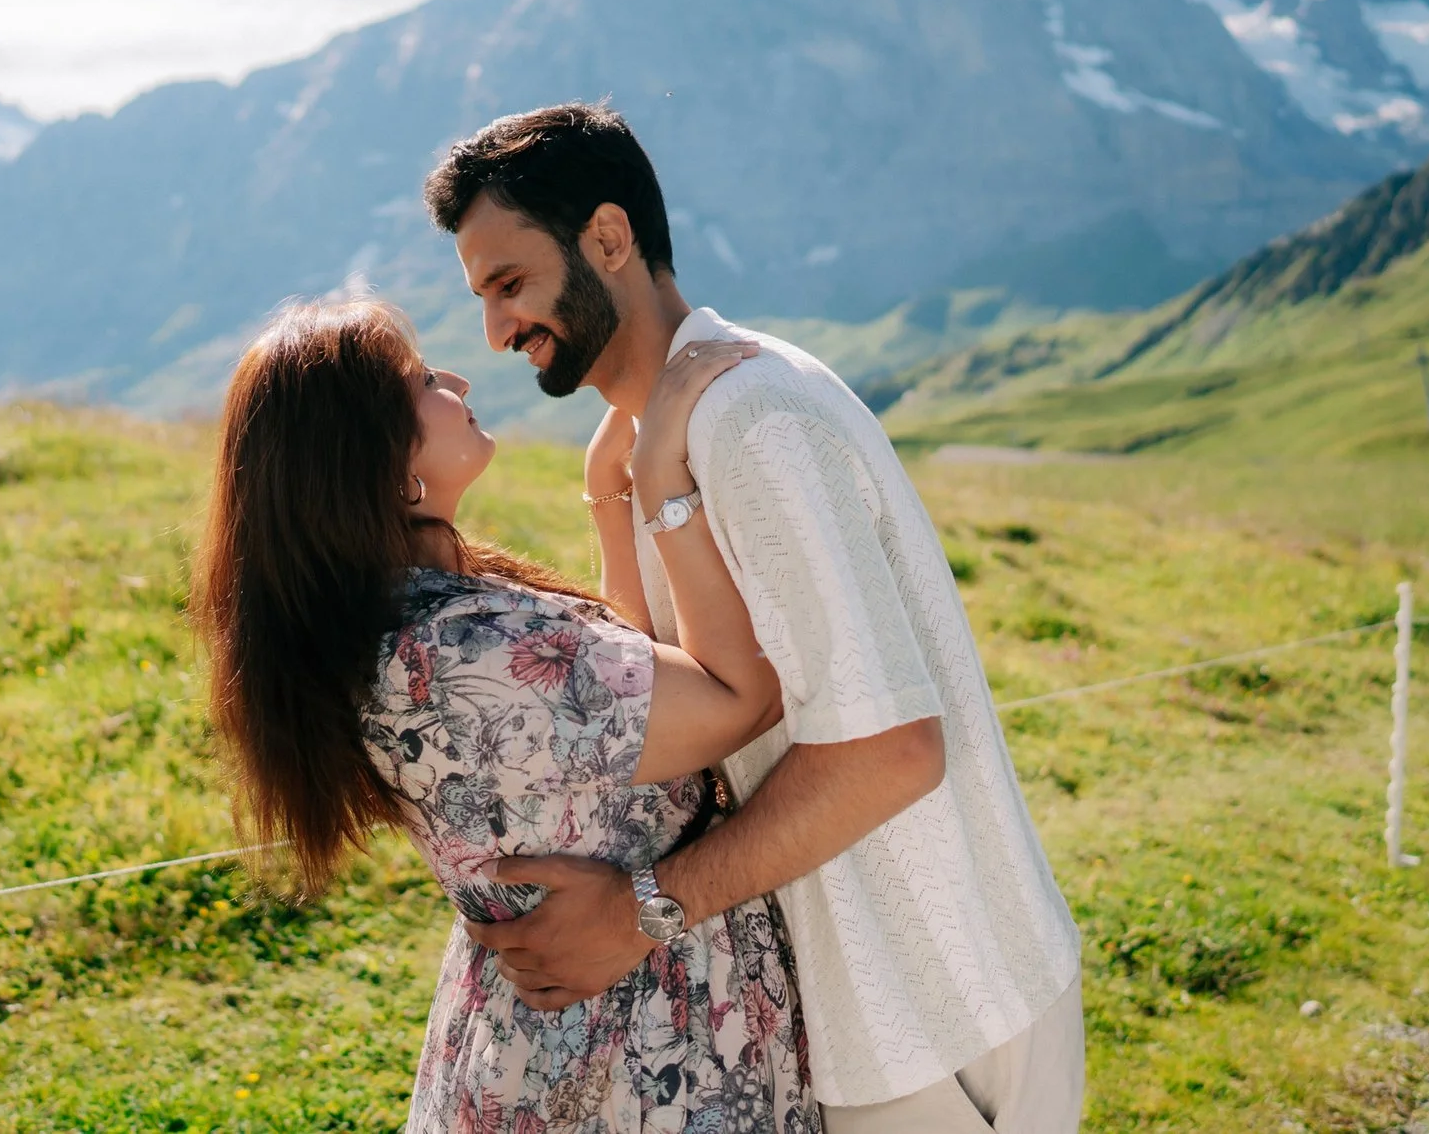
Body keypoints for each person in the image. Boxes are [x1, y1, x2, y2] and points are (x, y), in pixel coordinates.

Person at [424, 105, 1085, 1134]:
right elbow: (681, 714)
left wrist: (642, 910)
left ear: (608, 238)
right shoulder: (666, 437)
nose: (496, 330)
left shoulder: (751, 421)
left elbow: (890, 751)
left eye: (509, 283)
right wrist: (617, 493)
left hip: (935, 1011)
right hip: (857, 1017)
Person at [190, 298, 823, 1133]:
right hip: (636, 1058)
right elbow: (738, 698)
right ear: (380, 462)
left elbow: (628, 700)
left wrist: (609, 493)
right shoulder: (452, 652)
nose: (453, 377)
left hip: (568, 1036)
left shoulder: (409, 622)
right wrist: (666, 485)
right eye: (419, 380)